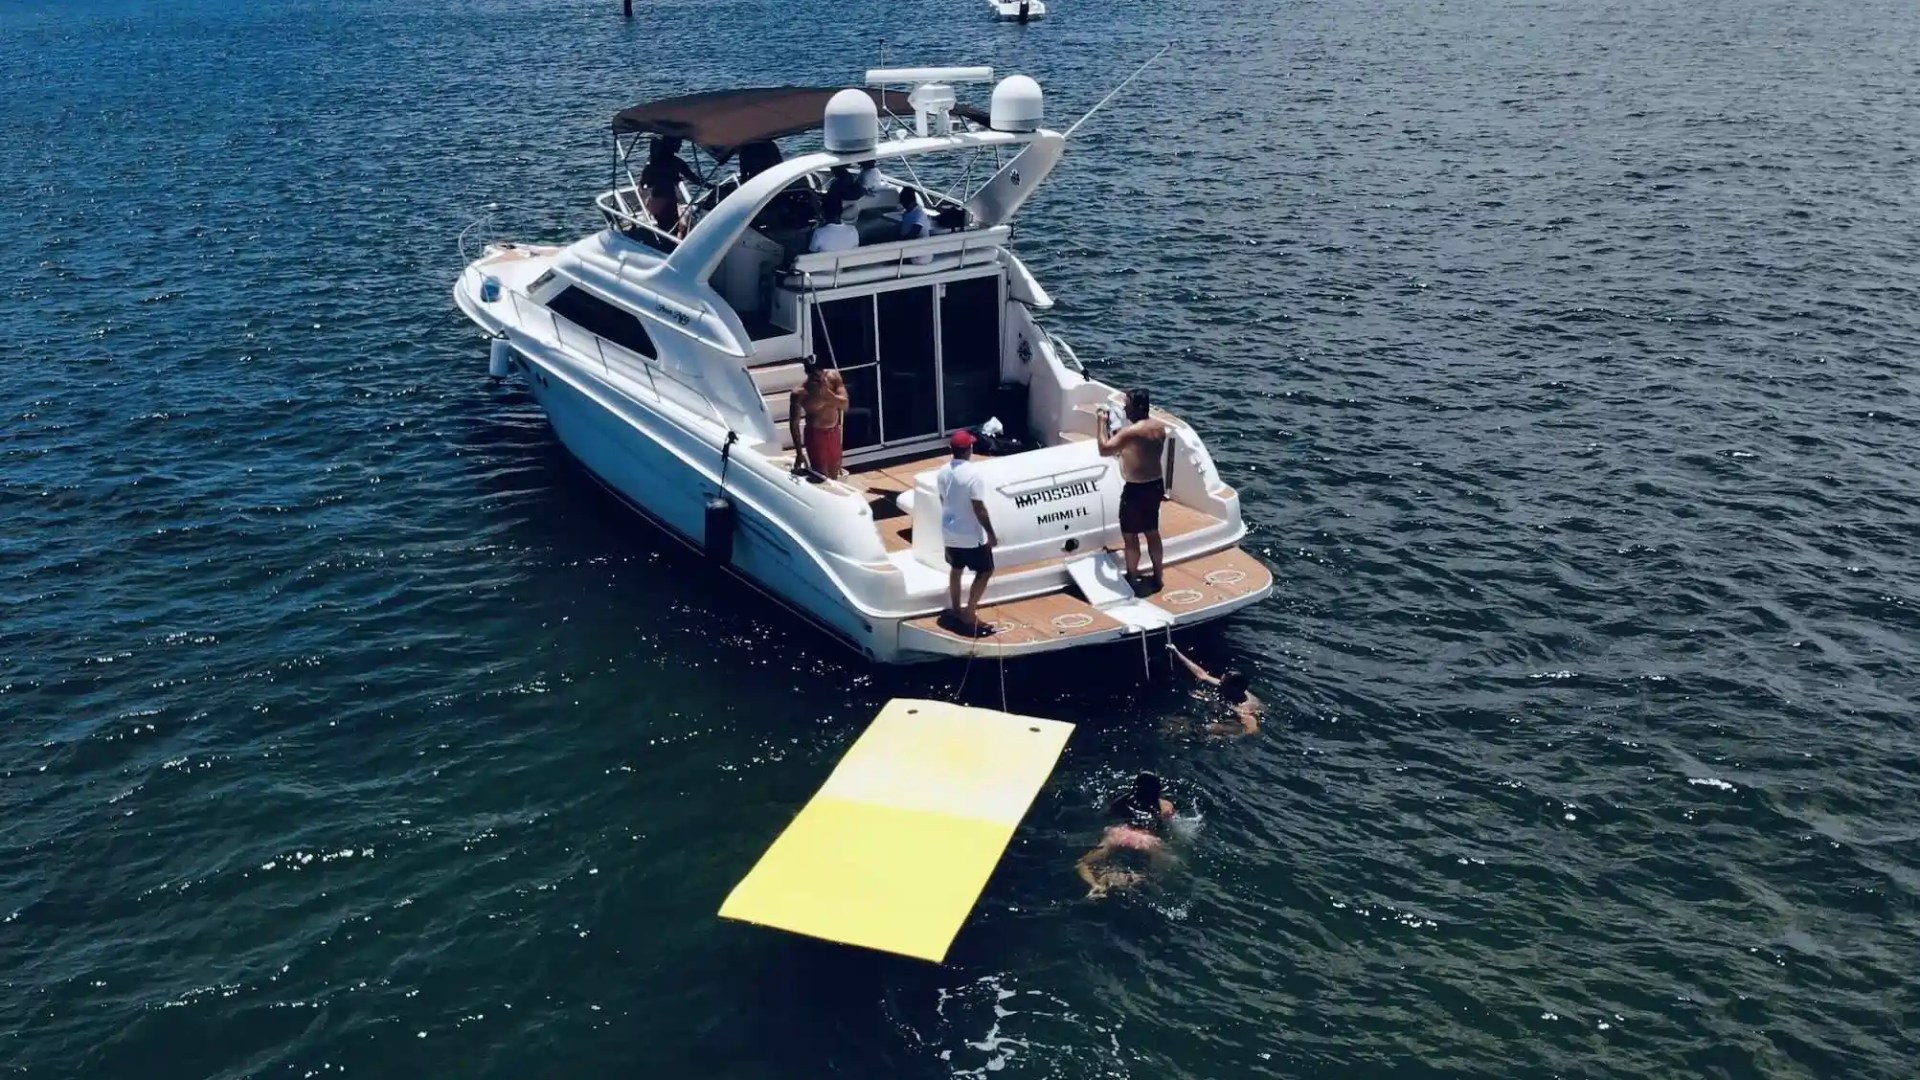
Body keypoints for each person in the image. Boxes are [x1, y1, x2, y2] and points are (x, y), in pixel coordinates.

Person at [1095, 387, 1171, 591]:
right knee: (1152, 532)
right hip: (1155, 485)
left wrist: (1101, 423)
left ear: (1137, 407)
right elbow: (1137, 449)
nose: (1125, 410)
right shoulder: (1159, 427)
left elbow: (1104, 449)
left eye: (1127, 406)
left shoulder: (1131, 433)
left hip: (1136, 489)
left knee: (1130, 535)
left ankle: (1132, 575)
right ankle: (1158, 575)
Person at [1076, 772, 1177, 899]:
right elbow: (1169, 823)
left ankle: (1096, 885)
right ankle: (1138, 879)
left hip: (1120, 833)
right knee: (1167, 866)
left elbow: (1109, 815)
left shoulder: (1119, 802)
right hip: (1146, 839)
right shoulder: (1166, 806)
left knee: (1084, 863)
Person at [937, 430, 998, 635]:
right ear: (969, 449)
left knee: (956, 568)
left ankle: (956, 609)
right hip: (970, 536)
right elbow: (979, 508)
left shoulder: (943, 471)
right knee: (985, 570)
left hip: (949, 530)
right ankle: (970, 613)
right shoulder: (974, 474)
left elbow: (942, 500)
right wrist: (990, 533)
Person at [1168, 643, 1262, 737]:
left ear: (1234, 689)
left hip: (1236, 726)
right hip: (1227, 713)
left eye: (1223, 684)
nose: (1219, 685)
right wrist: (1176, 652)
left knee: (1209, 728)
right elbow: (1202, 675)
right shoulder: (1231, 687)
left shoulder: (1245, 708)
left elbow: (1253, 730)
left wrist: (1231, 733)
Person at [788, 357, 848, 479]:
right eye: (813, 375)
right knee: (822, 476)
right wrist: (799, 452)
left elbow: (845, 405)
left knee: (834, 474)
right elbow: (794, 424)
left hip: (834, 432)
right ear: (807, 373)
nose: (817, 378)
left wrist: (827, 393)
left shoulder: (833, 378)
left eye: (819, 373)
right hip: (816, 436)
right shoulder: (799, 393)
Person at [639, 136, 701, 234]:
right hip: (664, 202)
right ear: (671, 144)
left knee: (670, 227)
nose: (680, 145)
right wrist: (710, 186)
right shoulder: (675, 162)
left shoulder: (653, 162)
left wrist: (646, 199)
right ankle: (671, 245)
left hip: (659, 200)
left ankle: (670, 242)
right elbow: (693, 178)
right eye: (678, 143)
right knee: (671, 228)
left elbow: (643, 183)